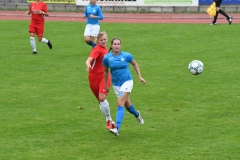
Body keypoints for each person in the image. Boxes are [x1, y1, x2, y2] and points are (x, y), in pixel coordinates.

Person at [102, 38, 146, 137]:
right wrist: (106, 85)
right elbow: (105, 71)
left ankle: (116, 128)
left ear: (120, 45)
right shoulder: (107, 58)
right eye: (115, 44)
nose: (117, 46)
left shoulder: (126, 55)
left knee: (120, 103)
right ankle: (137, 114)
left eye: (118, 44)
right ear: (112, 45)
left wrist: (140, 77)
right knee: (128, 106)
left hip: (127, 82)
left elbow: (134, 63)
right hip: (116, 85)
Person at [85, 31, 116, 130]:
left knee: (102, 98)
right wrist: (88, 64)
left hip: (104, 76)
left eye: (105, 40)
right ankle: (111, 121)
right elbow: (89, 59)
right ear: (98, 40)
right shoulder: (96, 49)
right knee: (101, 102)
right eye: (101, 40)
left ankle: (107, 120)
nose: (103, 41)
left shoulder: (106, 49)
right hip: (93, 77)